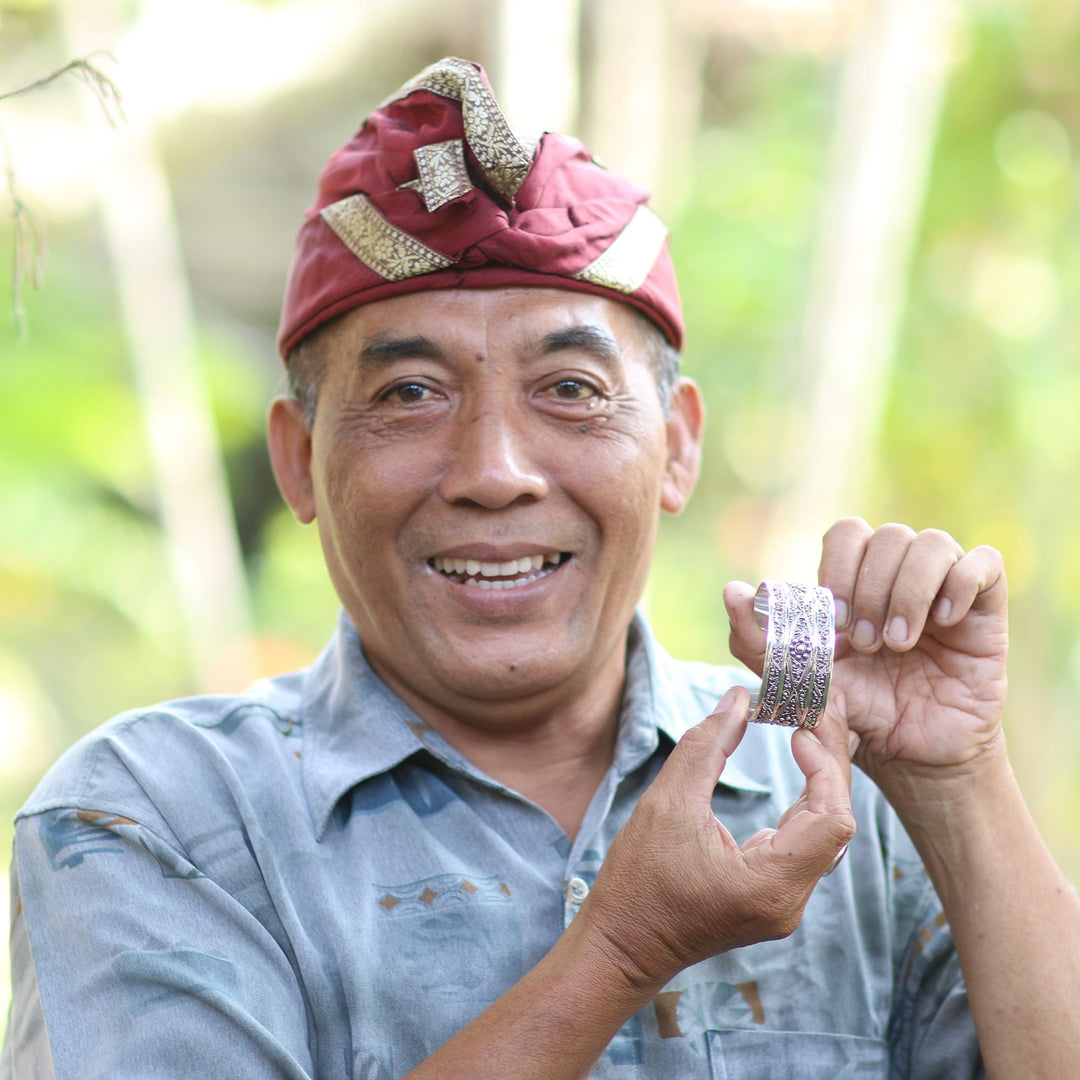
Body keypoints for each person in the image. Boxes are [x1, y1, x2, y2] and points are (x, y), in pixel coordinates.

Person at [3, 57, 1078, 1080]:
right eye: (410, 394)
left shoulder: (832, 792)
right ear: (298, 460)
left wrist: (957, 783)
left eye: (569, 389)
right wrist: (620, 951)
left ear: (678, 446)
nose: (495, 473)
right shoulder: (150, 818)